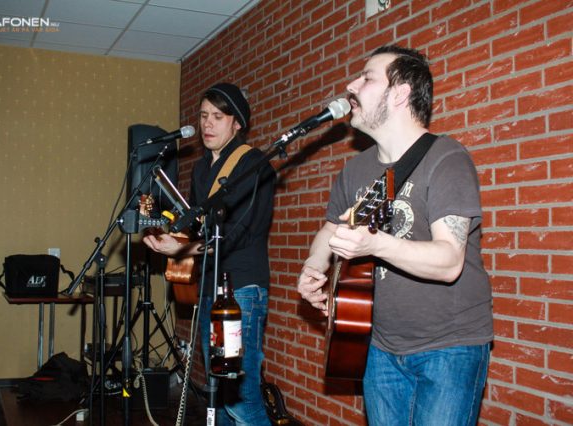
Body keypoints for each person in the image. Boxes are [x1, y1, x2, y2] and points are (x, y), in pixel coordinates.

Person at [297, 45, 493, 426]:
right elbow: (331, 228)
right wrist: (313, 266)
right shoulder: (355, 170)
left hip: (449, 347)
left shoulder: (447, 158)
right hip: (379, 345)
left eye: (367, 78)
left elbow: (449, 261)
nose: (351, 85)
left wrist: (376, 244)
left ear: (401, 93)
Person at [143, 82, 275, 425]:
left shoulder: (252, 164)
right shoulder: (202, 169)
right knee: (218, 390)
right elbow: (197, 229)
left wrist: (183, 247)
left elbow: (239, 233)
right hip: (207, 287)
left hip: (241, 288)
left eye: (218, 116)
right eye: (203, 116)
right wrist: (167, 235)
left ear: (237, 123)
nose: (207, 124)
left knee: (241, 398)